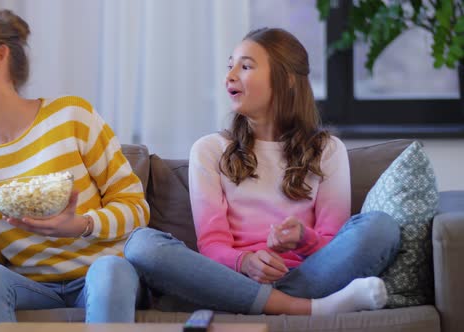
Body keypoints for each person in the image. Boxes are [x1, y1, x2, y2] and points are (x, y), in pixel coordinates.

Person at [124, 27, 401, 315]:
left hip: (308, 277)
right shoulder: (209, 150)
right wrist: (245, 261)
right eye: (230, 66)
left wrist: (303, 239)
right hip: (233, 280)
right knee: (142, 245)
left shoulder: (327, 150)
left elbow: (334, 243)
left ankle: (276, 303)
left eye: (245, 67)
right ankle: (307, 309)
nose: (229, 76)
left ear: (287, 80)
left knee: (381, 227)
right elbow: (212, 244)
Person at [0, 10, 149, 332]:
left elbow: (137, 209)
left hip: (101, 274)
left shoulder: (71, 116)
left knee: (110, 269)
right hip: (30, 287)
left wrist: (81, 225)